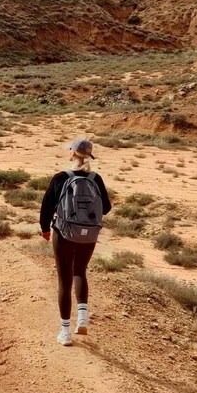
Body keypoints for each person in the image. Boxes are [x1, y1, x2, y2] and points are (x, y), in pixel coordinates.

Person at [39, 138, 112, 347]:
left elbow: (46, 207)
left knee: (64, 281)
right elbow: (106, 208)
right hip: (89, 235)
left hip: (64, 233)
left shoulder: (61, 178)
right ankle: (82, 318)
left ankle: (65, 332)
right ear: (89, 156)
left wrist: (45, 229)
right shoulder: (96, 179)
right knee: (80, 271)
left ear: (72, 154)